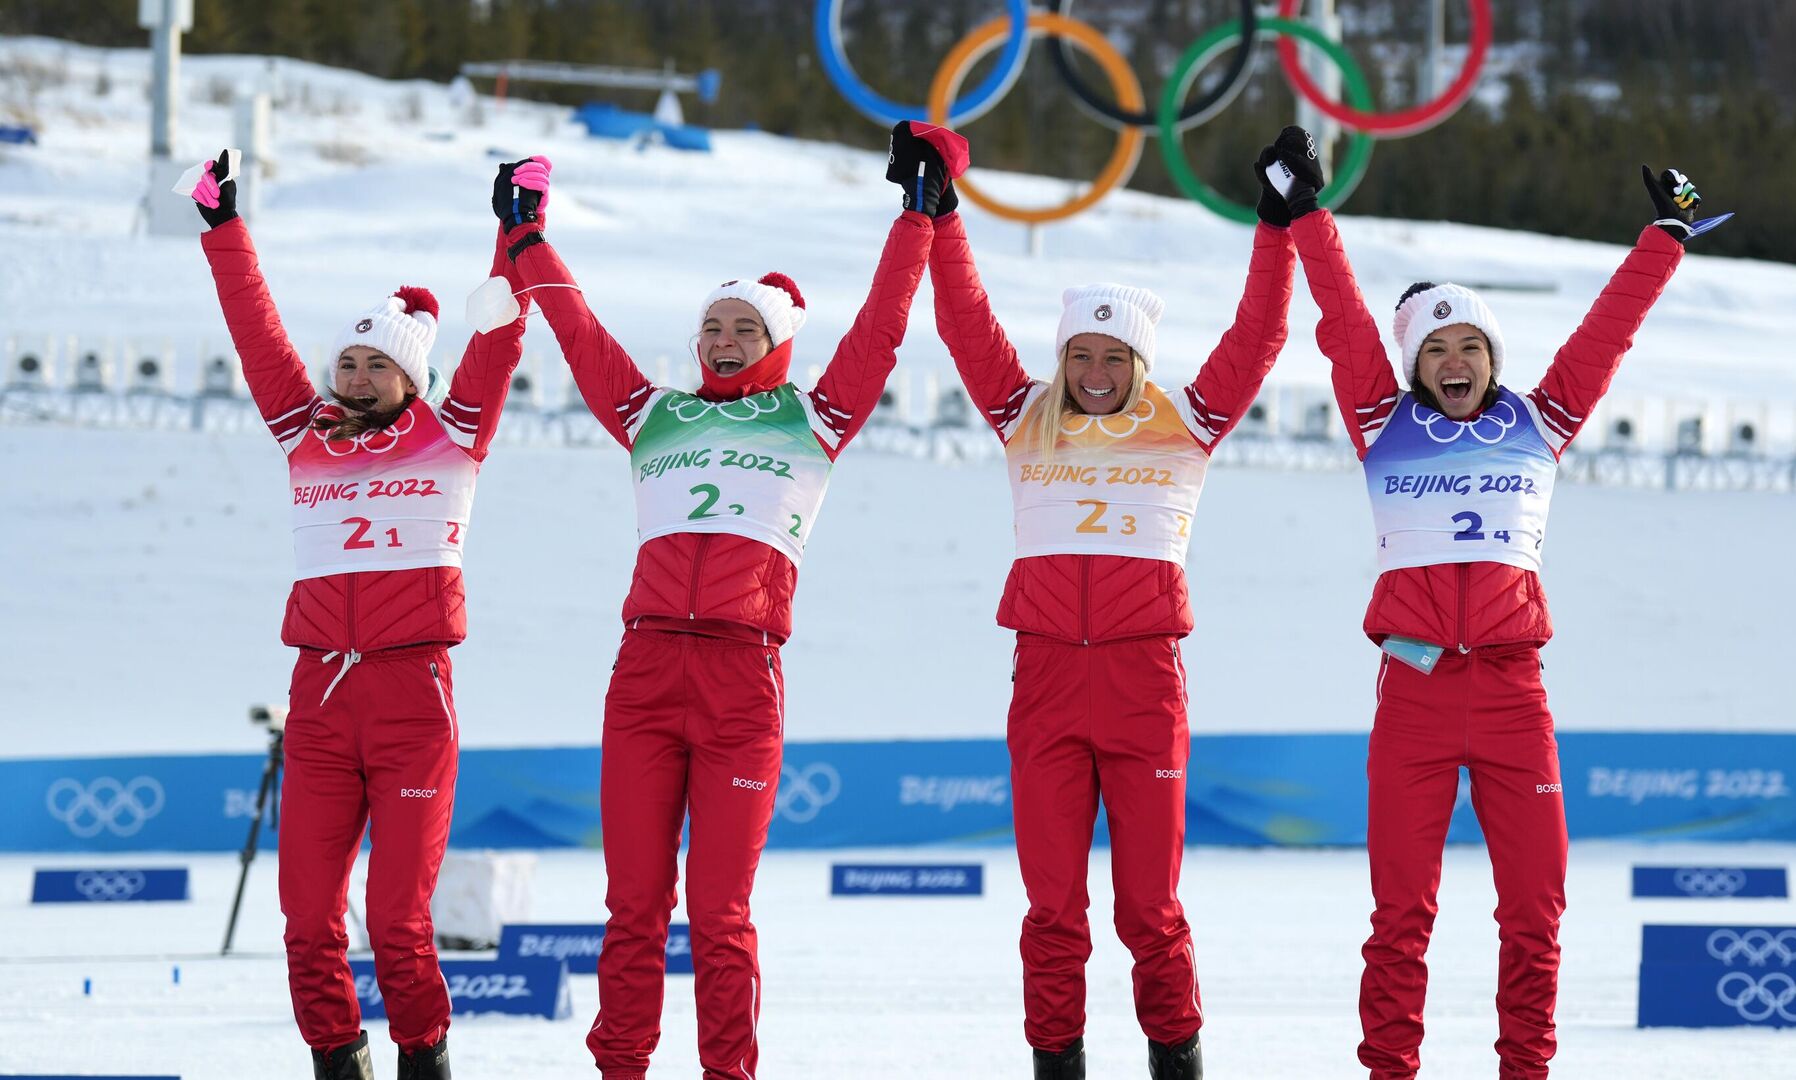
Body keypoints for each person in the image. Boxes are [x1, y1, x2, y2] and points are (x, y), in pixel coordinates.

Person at [493, 123, 962, 1079]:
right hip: (647, 671)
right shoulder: (652, 411)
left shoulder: (814, 416)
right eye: (711, 325)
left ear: (777, 341)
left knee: (720, 911)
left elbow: (880, 327)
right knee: (632, 904)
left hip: (743, 677)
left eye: (743, 327)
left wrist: (916, 220)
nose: (721, 339)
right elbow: (578, 332)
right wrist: (528, 238)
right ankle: (620, 1064)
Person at [1268, 126, 1728, 1079]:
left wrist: (1665, 239)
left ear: (1492, 355)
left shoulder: (1542, 419)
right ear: (1413, 365)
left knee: (1535, 914)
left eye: (1470, 343)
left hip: (1517, 698)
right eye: (1435, 347)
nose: (1455, 358)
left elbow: (1608, 334)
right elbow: (1345, 318)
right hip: (1415, 696)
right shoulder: (1378, 419)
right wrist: (1309, 213)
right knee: (1400, 917)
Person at [920, 127, 1307, 1079]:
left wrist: (1275, 226)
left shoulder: (1188, 425)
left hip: (1144, 685)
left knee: (1149, 907)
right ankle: (1058, 1063)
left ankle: (1177, 1060)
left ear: (1140, 361)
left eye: (1113, 356)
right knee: (1052, 908)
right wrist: (942, 216)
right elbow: (965, 322)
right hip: (1047, 681)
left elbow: (1258, 337)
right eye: (1080, 354)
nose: (1094, 371)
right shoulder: (1024, 417)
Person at [190, 150, 533, 1080]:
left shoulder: (455, 431)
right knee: (305, 915)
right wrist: (225, 231)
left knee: (397, 920)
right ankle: (337, 1059)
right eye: (345, 356)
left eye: (375, 361)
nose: (352, 370)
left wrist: (517, 232)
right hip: (319, 698)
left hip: (412, 698)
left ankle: (424, 1056)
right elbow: (256, 332)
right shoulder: (302, 434)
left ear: (410, 377)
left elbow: (499, 335)